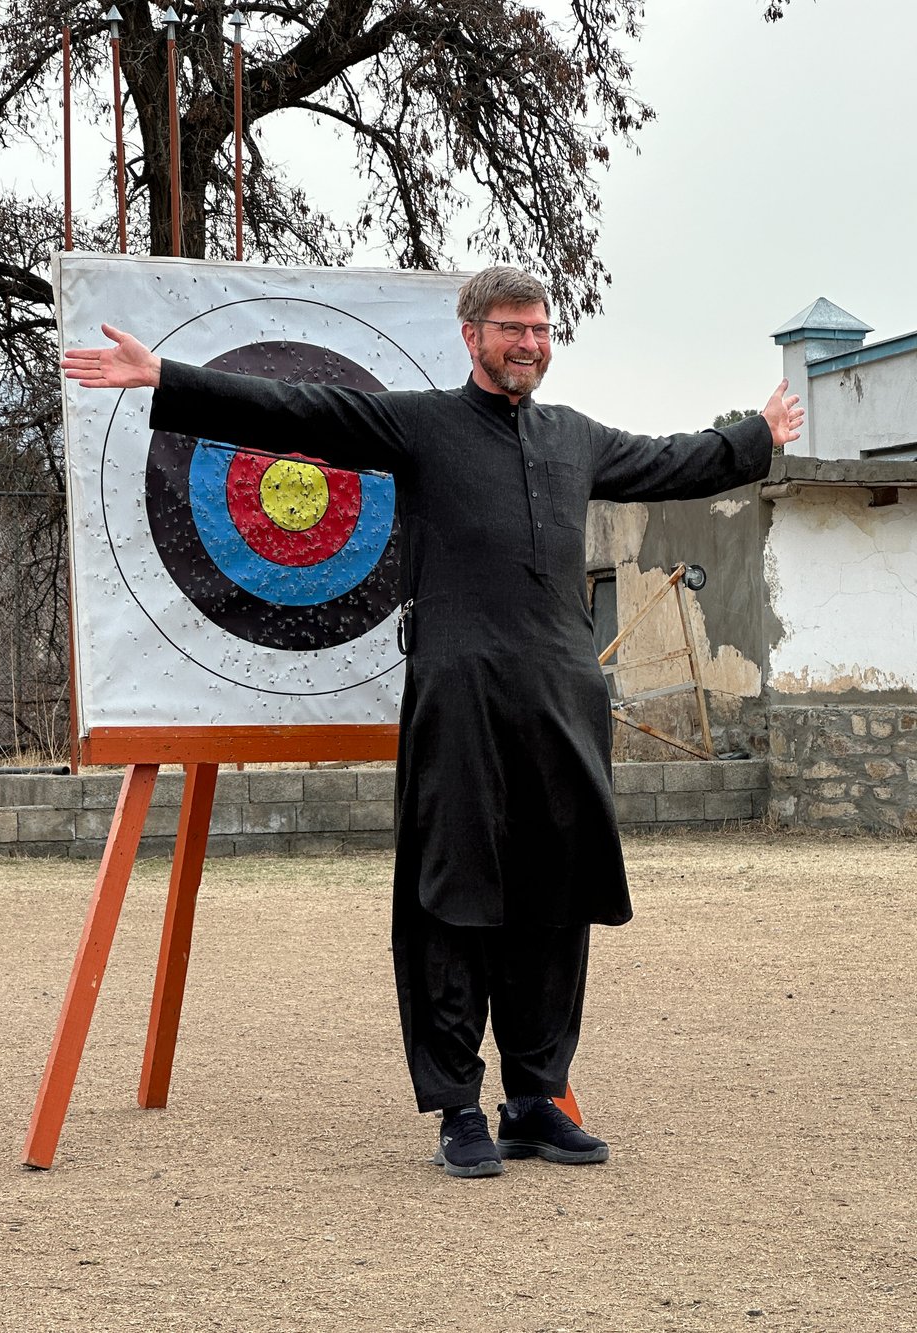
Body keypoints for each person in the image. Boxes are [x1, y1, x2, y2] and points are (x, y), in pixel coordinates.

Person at [63, 267, 802, 1179]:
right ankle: (458, 1105)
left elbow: (671, 459)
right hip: (457, 703)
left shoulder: (576, 438)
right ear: (471, 335)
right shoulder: (419, 423)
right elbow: (302, 412)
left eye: (540, 329)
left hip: (562, 705)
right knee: (450, 899)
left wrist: (753, 436)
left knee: (553, 899)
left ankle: (536, 1095)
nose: (529, 342)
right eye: (510, 328)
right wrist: (169, 377)